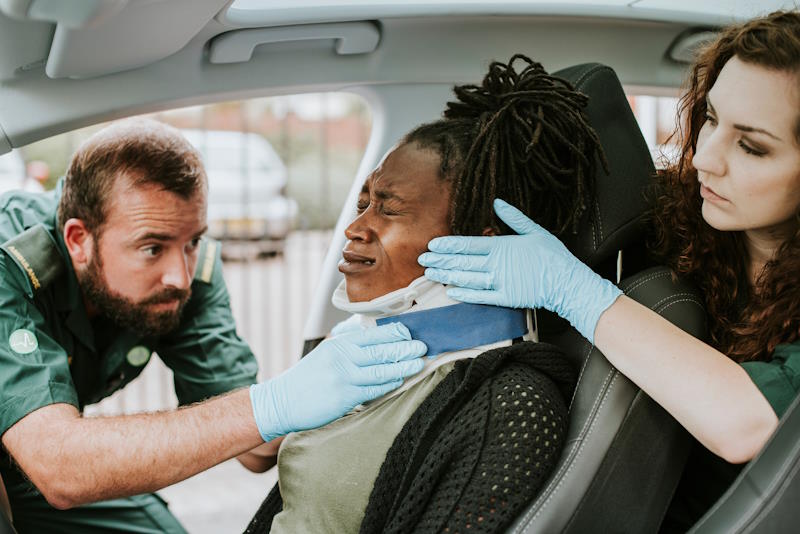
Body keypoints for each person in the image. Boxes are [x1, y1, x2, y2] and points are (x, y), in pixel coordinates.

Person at [419, 10, 800, 530]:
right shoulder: (668, 218)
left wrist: (575, 291)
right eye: (710, 118)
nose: (704, 158)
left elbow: (748, 424)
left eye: (751, 146)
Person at [0, 118, 427, 533]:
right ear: (78, 240)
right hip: (42, 461)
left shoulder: (187, 272)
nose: (180, 277)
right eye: (152, 248)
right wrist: (271, 404)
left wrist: (326, 381)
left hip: (40, 467)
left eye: (192, 242)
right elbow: (61, 467)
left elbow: (257, 447)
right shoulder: (9, 262)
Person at [245, 55, 603, 533]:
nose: (355, 228)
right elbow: (256, 452)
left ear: (479, 239)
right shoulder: (354, 343)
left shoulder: (512, 403)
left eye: (388, 210)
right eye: (363, 204)